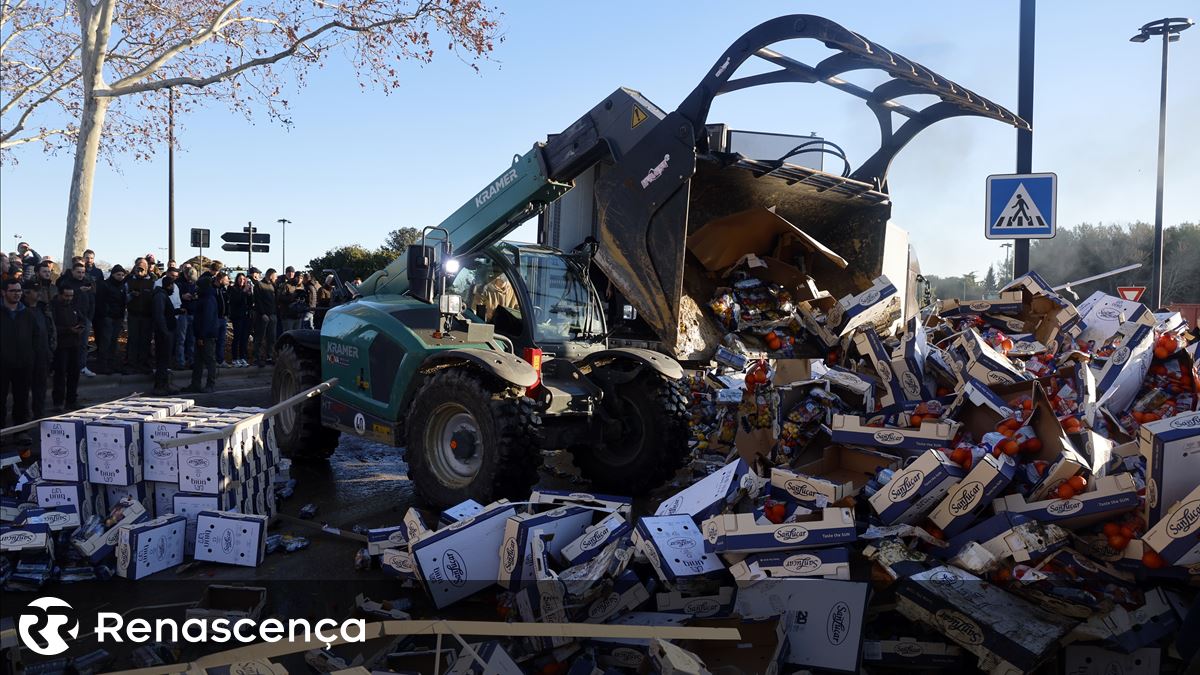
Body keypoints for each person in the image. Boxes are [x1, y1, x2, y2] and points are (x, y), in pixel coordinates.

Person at [2, 278, 43, 430]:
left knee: (22, 400)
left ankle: (20, 431)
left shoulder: (27, 314)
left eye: (19, 291)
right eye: (12, 291)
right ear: (4, 292)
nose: (17, 294)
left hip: (23, 365)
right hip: (2, 366)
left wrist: (31, 357)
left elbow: (36, 337)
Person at [57, 261, 97, 377]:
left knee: (83, 344)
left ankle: (82, 366)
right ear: (73, 272)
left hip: (85, 318)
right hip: (69, 318)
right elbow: (66, 299)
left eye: (83, 272)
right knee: (69, 345)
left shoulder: (88, 283)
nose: (80, 275)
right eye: (78, 272)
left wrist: (90, 317)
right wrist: (79, 291)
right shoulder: (67, 283)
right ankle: (67, 368)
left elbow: (92, 301)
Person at [22, 282, 54, 420]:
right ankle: (22, 419)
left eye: (39, 290)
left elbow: (50, 331)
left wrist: (50, 350)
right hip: (25, 357)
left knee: (40, 388)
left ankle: (39, 415)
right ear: (27, 293)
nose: (39, 293)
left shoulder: (43, 310)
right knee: (22, 391)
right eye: (35, 291)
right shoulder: (20, 310)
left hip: (42, 355)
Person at [186, 275, 220, 393]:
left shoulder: (208, 299)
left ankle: (210, 384)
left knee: (209, 360)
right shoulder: (206, 297)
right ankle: (196, 383)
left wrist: (201, 336)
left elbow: (207, 319)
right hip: (202, 333)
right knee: (198, 360)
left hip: (206, 335)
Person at [51, 286, 83, 410]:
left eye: (71, 296)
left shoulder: (73, 306)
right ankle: (58, 402)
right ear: (60, 295)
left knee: (74, 373)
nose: (69, 298)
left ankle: (71, 400)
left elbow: (81, 318)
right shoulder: (53, 307)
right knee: (60, 374)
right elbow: (52, 327)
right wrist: (68, 330)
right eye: (66, 296)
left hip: (74, 344)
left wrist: (81, 326)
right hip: (61, 346)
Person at [94, 264, 127, 374]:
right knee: (106, 342)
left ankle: (112, 364)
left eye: (122, 275)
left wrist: (121, 317)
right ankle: (103, 365)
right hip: (107, 317)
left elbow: (123, 303)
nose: (120, 277)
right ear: (113, 274)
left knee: (114, 342)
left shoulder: (122, 286)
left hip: (117, 317)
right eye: (118, 274)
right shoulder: (105, 285)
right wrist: (106, 314)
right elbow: (101, 302)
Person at [124, 258, 155, 372]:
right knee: (133, 339)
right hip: (133, 315)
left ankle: (143, 362)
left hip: (147, 316)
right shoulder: (129, 281)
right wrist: (131, 295)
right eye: (139, 266)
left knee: (145, 340)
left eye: (143, 266)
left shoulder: (152, 282)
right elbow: (123, 299)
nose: (141, 268)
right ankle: (131, 363)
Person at [151, 273, 178, 394]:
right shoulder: (160, 296)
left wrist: (177, 311)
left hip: (166, 331)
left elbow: (165, 313)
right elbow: (159, 315)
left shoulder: (163, 295)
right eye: (172, 285)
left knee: (165, 359)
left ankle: (164, 384)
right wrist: (165, 331)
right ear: (169, 285)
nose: (173, 288)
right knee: (162, 359)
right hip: (164, 333)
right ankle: (160, 386)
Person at [252, 268, 277, 367]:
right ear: (270, 275)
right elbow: (258, 301)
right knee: (260, 337)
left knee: (271, 337)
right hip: (263, 316)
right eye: (275, 276)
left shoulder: (273, 285)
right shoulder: (259, 285)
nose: (276, 278)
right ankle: (257, 357)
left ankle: (269, 356)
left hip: (273, 315)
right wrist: (263, 314)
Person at [175, 266, 198, 368]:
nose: (190, 280)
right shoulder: (178, 284)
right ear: (185, 274)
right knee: (181, 339)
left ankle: (191, 360)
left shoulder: (194, 284)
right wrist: (182, 296)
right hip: (183, 313)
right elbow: (174, 297)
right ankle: (181, 362)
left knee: (191, 340)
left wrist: (195, 297)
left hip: (192, 312)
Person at [229, 273, 254, 367]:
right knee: (237, 337)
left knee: (244, 338)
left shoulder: (246, 290)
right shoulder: (233, 289)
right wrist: (243, 292)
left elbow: (251, 303)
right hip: (237, 316)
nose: (242, 281)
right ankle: (235, 358)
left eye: (244, 279)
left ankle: (243, 357)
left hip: (246, 317)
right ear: (237, 279)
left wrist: (250, 294)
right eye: (240, 279)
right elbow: (235, 301)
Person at [211, 271, 231, 367]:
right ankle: (212, 360)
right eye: (226, 280)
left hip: (223, 318)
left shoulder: (224, 289)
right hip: (215, 319)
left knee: (221, 341)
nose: (228, 281)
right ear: (220, 279)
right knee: (213, 341)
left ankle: (220, 360)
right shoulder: (213, 290)